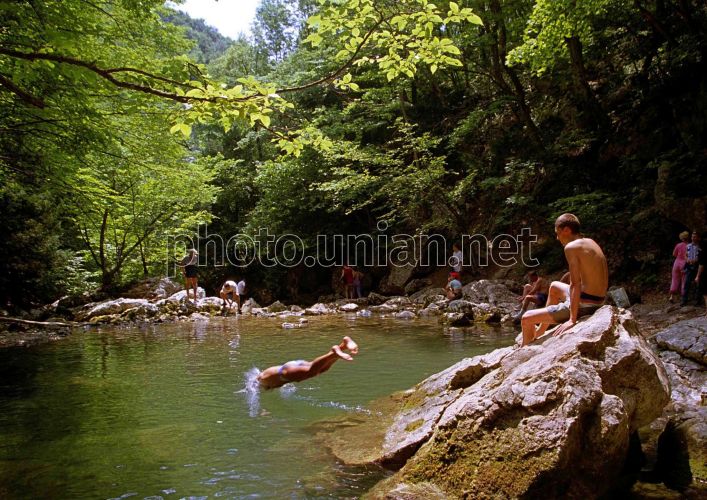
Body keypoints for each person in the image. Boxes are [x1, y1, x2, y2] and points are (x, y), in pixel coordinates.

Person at [521, 214, 608, 346]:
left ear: (567, 230)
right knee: (554, 286)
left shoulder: (571, 247)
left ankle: (525, 350)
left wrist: (572, 320)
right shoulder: (590, 242)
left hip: (585, 305)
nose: (557, 237)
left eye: (558, 233)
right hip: (599, 299)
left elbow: (575, 284)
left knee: (526, 318)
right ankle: (540, 331)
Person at [257, 336, 359, 390]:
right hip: (291, 366)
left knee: (311, 371)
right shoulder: (264, 375)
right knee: (321, 369)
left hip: (285, 372)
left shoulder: (259, 381)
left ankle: (334, 352)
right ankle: (343, 345)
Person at [681, 231, 702, 307]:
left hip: (697, 266)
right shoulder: (688, 245)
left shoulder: (700, 246)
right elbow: (685, 255)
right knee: (687, 283)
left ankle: (697, 301)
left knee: (698, 284)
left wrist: (696, 260)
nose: (693, 238)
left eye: (695, 237)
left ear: (698, 238)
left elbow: (702, 257)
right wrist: (687, 259)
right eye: (692, 236)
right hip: (689, 266)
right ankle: (684, 300)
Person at [670, 231, 690, 303]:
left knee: (674, 279)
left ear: (681, 238)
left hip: (677, 263)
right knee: (684, 280)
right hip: (685, 264)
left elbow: (674, 254)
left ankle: (671, 296)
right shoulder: (690, 246)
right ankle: (682, 298)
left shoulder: (678, 245)